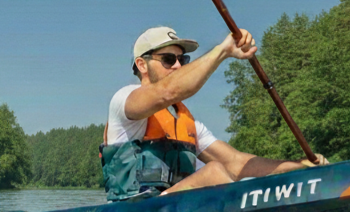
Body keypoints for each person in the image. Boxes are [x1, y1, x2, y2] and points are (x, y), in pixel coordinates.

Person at [101, 26, 328, 202]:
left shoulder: (188, 124)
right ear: (142, 64)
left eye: (183, 60)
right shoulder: (125, 101)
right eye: (169, 59)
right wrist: (224, 51)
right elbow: (166, 92)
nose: (178, 66)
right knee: (214, 172)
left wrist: (299, 166)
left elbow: (237, 164)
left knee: (227, 170)